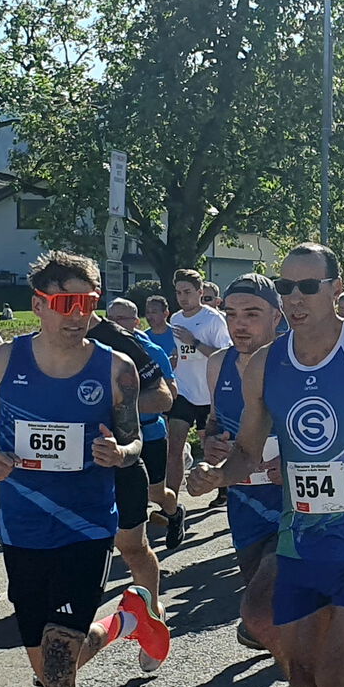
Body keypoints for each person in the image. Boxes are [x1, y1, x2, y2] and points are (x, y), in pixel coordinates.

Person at [188, 244, 344, 687]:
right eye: (286, 287)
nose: (295, 298)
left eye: (308, 286)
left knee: (338, 683)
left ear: (336, 289)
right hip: (299, 538)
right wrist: (218, 475)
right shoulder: (265, 364)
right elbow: (247, 449)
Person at [0, 251, 168, 687]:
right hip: (22, 525)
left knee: (56, 664)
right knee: (47, 663)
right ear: (39, 304)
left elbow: (134, 441)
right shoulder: (0, 362)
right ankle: (127, 620)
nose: (78, 315)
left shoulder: (117, 369)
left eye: (88, 303)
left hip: (86, 524)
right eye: (67, 303)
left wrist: (121, 452)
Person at [194, 276, 285, 655]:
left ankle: (320, 673)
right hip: (245, 500)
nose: (239, 324)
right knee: (265, 609)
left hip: (296, 503)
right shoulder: (219, 363)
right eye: (231, 315)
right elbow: (215, 421)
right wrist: (211, 444)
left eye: (252, 314)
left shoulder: (296, 361)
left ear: (276, 317)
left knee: (263, 603)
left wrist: (293, 460)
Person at [88, 298, 176, 640]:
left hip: (128, 453)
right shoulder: (38, 346)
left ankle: (151, 614)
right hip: (69, 468)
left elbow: (164, 397)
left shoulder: (122, 342)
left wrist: (110, 404)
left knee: (133, 547)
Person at [104, 298, 181, 581]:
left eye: (122, 319)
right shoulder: (99, 353)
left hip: (150, 433)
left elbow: (170, 394)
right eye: (111, 318)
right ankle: (130, 541)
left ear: (136, 322)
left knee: (155, 493)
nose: (115, 324)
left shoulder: (150, 350)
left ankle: (174, 512)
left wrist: (123, 403)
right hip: (115, 439)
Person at [166, 268, 232, 546]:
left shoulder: (213, 319)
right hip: (184, 391)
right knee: (174, 447)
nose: (182, 297)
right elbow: (182, 354)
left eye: (187, 292)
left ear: (200, 292)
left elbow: (225, 355)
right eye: (178, 292)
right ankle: (171, 507)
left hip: (209, 394)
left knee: (211, 450)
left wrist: (194, 342)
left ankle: (224, 487)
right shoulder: (176, 319)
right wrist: (175, 358)